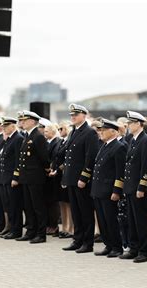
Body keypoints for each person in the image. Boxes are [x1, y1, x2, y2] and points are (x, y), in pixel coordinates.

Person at [51, 103, 99, 253]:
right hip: (71, 178)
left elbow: (90, 157)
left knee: (85, 211)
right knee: (76, 212)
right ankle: (77, 239)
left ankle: (87, 242)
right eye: (71, 115)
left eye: (76, 115)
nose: (73, 117)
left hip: (81, 180)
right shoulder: (73, 132)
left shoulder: (89, 132)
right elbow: (67, 155)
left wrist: (84, 177)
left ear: (84, 116)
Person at [119, 111, 147, 263]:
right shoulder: (132, 139)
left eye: (131, 123)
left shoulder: (145, 140)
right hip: (130, 186)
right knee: (131, 219)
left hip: (138, 187)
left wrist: (142, 186)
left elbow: (146, 166)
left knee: (141, 220)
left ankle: (144, 251)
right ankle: (133, 248)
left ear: (139, 124)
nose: (128, 126)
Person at [12, 111, 49, 243]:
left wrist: (45, 169)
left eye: (25, 120)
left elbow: (44, 157)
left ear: (33, 121)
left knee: (38, 206)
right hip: (26, 177)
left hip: (35, 177)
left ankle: (41, 234)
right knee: (28, 206)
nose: (22, 122)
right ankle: (31, 231)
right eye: (22, 120)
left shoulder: (38, 136)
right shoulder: (28, 135)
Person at [91, 119, 126, 258]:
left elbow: (120, 171)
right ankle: (108, 245)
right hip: (99, 189)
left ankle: (117, 247)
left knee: (111, 220)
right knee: (102, 220)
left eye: (104, 130)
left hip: (109, 190)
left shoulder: (119, 147)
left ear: (113, 132)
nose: (101, 133)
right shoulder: (104, 146)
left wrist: (117, 191)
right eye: (100, 130)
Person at [0, 117, 24, 239]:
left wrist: (15, 177)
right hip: (5, 178)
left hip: (11, 178)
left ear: (13, 126)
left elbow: (18, 160)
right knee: (8, 205)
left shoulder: (17, 139)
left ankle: (16, 230)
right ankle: (11, 228)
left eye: (6, 126)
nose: (4, 129)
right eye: (3, 127)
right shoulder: (9, 139)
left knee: (15, 205)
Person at [44, 123, 62, 237]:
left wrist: (52, 168)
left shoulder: (57, 142)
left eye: (46, 131)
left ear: (53, 131)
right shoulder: (48, 142)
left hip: (53, 176)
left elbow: (55, 158)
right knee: (47, 202)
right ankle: (49, 225)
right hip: (47, 176)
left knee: (53, 203)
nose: (45, 133)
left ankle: (54, 226)